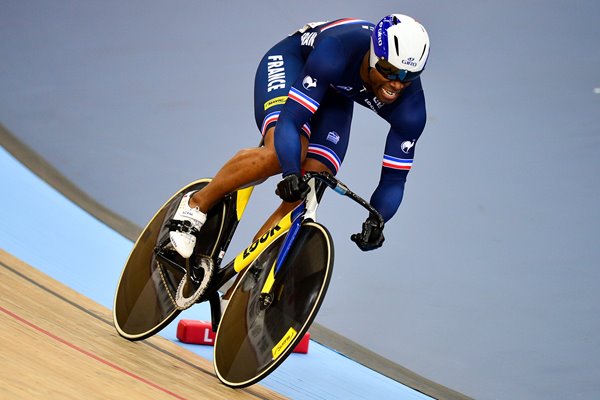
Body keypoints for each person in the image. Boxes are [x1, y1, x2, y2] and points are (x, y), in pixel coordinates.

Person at [169, 14, 430, 259]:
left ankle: (244, 287)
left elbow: (395, 179)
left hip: (338, 93)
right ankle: (195, 206)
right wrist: (290, 171)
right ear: (373, 56)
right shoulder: (337, 50)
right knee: (279, 156)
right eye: (389, 70)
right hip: (296, 62)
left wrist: (378, 218)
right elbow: (291, 121)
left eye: (409, 76)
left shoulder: (411, 110)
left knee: (310, 189)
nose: (396, 83)